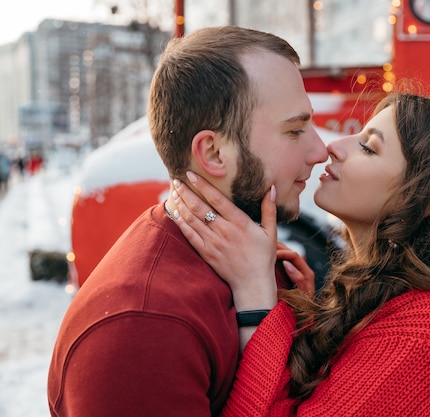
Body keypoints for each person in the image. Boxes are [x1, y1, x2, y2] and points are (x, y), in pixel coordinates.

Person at [47, 26, 327, 417]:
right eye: (295, 130)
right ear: (212, 153)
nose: (319, 150)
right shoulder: (143, 331)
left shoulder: (256, 259)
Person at [171, 92, 430, 416]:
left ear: (425, 199)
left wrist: (255, 293)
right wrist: (301, 319)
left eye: (368, 148)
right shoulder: (384, 294)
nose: (332, 146)